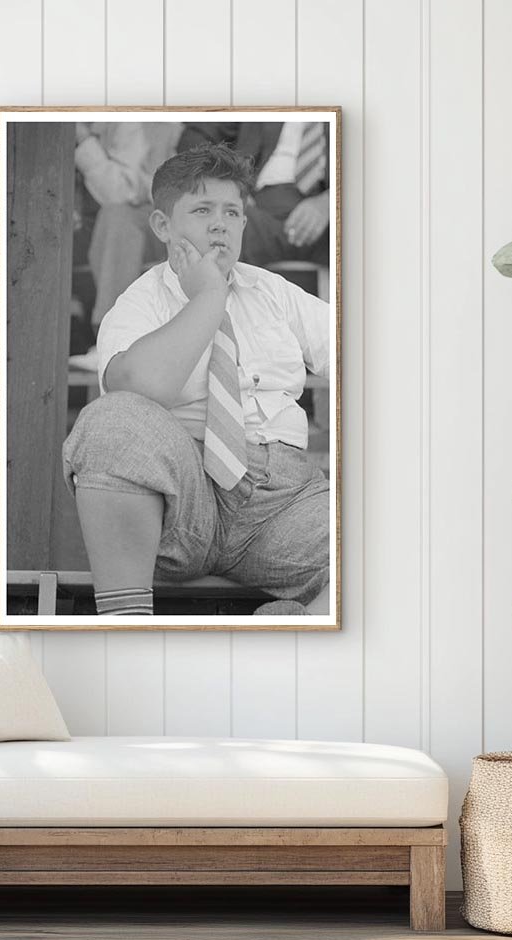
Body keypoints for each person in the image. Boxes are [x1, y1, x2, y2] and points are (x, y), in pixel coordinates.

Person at [61, 143, 331, 617]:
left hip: (284, 503)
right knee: (109, 419)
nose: (219, 223)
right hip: (184, 504)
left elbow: (376, 361)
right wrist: (208, 295)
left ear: (245, 224)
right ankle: (127, 629)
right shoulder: (139, 303)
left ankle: (299, 628)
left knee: (391, 532)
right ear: (164, 226)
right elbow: (139, 391)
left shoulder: (275, 294)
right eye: (202, 209)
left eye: (232, 211)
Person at [75, 121, 182, 329]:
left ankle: (114, 333)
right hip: (76, 231)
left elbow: (121, 192)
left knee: (117, 217)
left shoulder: (132, 122)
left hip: (144, 224)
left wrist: (83, 140)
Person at [178, 121, 330, 266]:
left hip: (311, 214)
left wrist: (330, 201)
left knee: (226, 229)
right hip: (250, 195)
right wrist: (221, 180)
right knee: (176, 217)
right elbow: (200, 134)